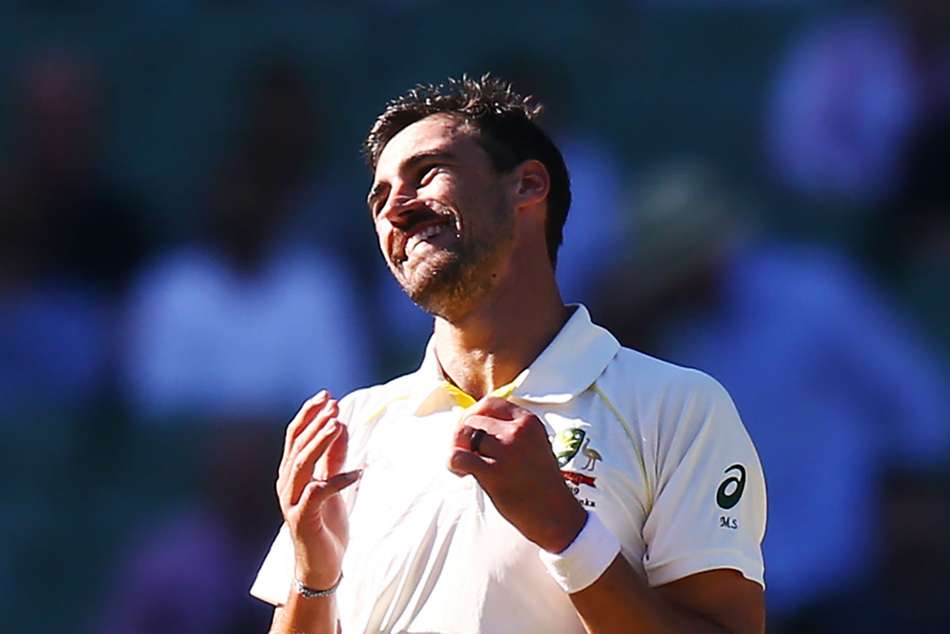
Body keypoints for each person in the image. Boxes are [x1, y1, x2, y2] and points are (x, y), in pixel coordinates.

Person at [250, 76, 767, 634]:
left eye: (427, 173)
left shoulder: (677, 408)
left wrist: (566, 531)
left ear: (528, 185)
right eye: (379, 198)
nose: (395, 208)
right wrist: (314, 575)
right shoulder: (353, 429)